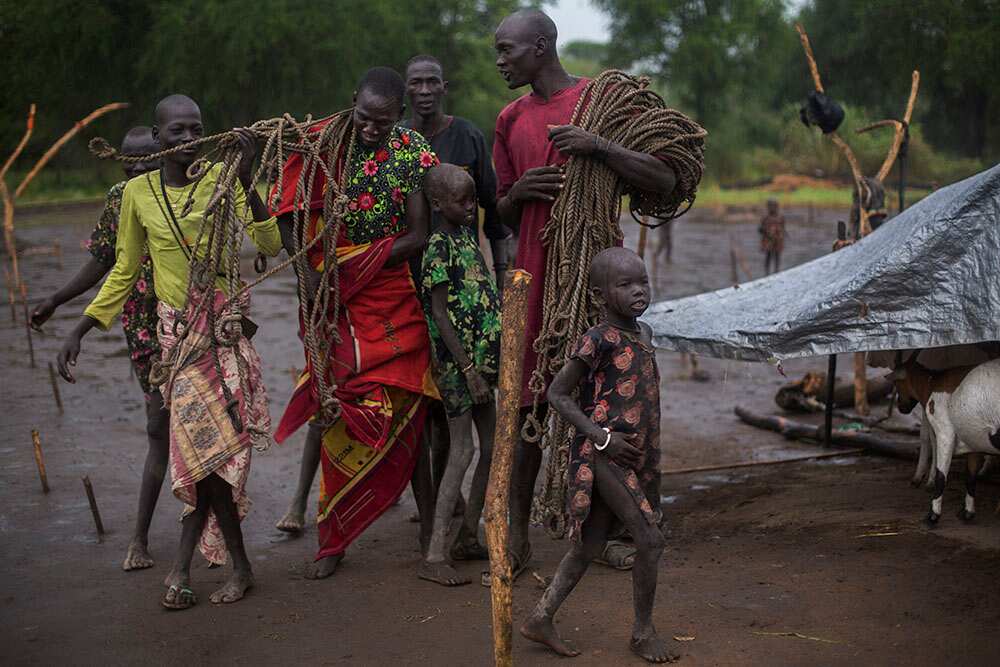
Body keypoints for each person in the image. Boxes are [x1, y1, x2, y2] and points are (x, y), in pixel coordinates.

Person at [57, 94, 282, 609]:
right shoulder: (137, 193)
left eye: (195, 129)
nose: (187, 140)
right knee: (196, 455)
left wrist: (247, 178)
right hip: (176, 341)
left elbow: (269, 242)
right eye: (176, 132)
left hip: (222, 334)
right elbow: (125, 268)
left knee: (215, 457)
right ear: (158, 139)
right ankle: (232, 568)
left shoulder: (223, 180)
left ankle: (187, 569)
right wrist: (83, 326)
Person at [492, 9, 679, 578]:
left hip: (598, 287)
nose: (499, 61)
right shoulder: (510, 118)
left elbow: (666, 178)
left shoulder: (602, 102)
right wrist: (519, 191)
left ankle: (616, 530)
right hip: (531, 287)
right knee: (525, 405)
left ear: (542, 46)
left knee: (618, 408)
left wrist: (600, 147)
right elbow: (496, 212)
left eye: (507, 50)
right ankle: (516, 536)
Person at [270, 67, 439, 579]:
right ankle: (334, 538)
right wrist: (316, 278)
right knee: (339, 413)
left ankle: (432, 539)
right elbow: (289, 217)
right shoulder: (318, 145)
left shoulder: (412, 153)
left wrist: (357, 263)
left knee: (409, 415)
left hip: (392, 301)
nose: (370, 129)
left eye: (382, 123)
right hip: (332, 305)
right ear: (352, 104)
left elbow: (419, 234)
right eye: (364, 118)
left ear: (399, 117)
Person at [520, 247, 671, 663]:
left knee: (589, 545)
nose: (639, 291)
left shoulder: (646, 334)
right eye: (625, 285)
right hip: (605, 455)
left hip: (635, 455)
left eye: (643, 282)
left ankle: (540, 617)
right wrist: (601, 437)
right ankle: (642, 633)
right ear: (600, 295)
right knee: (650, 540)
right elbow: (557, 394)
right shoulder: (597, 338)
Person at [31, 127, 167, 573]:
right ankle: (141, 539)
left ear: (169, 154)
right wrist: (57, 299)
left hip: (191, 324)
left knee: (203, 427)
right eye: (130, 163)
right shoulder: (120, 197)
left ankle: (208, 529)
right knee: (158, 429)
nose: (139, 170)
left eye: (148, 161)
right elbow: (105, 260)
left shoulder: (187, 190)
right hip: (142, 331)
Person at [401, 54, 509, 527]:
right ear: (407, 91)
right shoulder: (396, 140)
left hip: (465, 287)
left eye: (432, 81)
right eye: (416, 83)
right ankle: (437, 515)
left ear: (443, 87)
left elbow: (492, 206)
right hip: (408, 283)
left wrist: (502, 275)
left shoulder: (466, 136)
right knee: (426, 407)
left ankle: (451, 520)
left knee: (457, 406)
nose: (424, 90)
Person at [417, 164, 499, 586]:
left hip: (484, 365)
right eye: (462, 201)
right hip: (458, 369)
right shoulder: (438, 247)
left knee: (494, 446)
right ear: (437, 204)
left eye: (473, 200)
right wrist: (468, 371)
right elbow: (439, 313)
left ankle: (468, 534)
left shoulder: (468, 239)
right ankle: (434, 554)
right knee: (462, 450)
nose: (471, 207)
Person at [759, 198, 786, 274]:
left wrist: (781, 235)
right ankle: (767, 273)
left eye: (774, 206)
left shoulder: (780, 217)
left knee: (777, 256)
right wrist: (766, 233)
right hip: (768, 240)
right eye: (770, 206)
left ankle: (776, 271)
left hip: (778, 240)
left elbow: (783, 228)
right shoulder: (765, 218)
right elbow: (760, 229)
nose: (772, 208)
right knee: (768, 256)